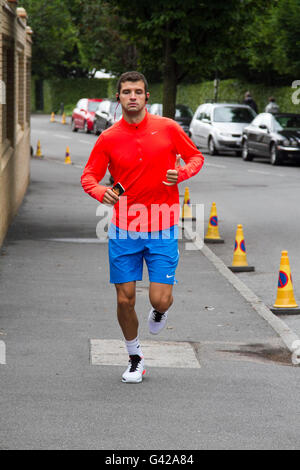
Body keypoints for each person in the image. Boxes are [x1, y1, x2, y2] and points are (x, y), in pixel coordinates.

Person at [81, 71, 204, 384]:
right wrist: (101, 192)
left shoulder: (168, 128)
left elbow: (195, 157)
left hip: (163, 224)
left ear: (147, 97)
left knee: (159, 300)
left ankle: (161, 313)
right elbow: (89, 177)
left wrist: (183, 172)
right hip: (124, 227)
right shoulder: (108, 138)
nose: (132, 96)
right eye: (126, 92)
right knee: (125, 299)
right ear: (119, 98)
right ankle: (135, 357)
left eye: (138, 91)